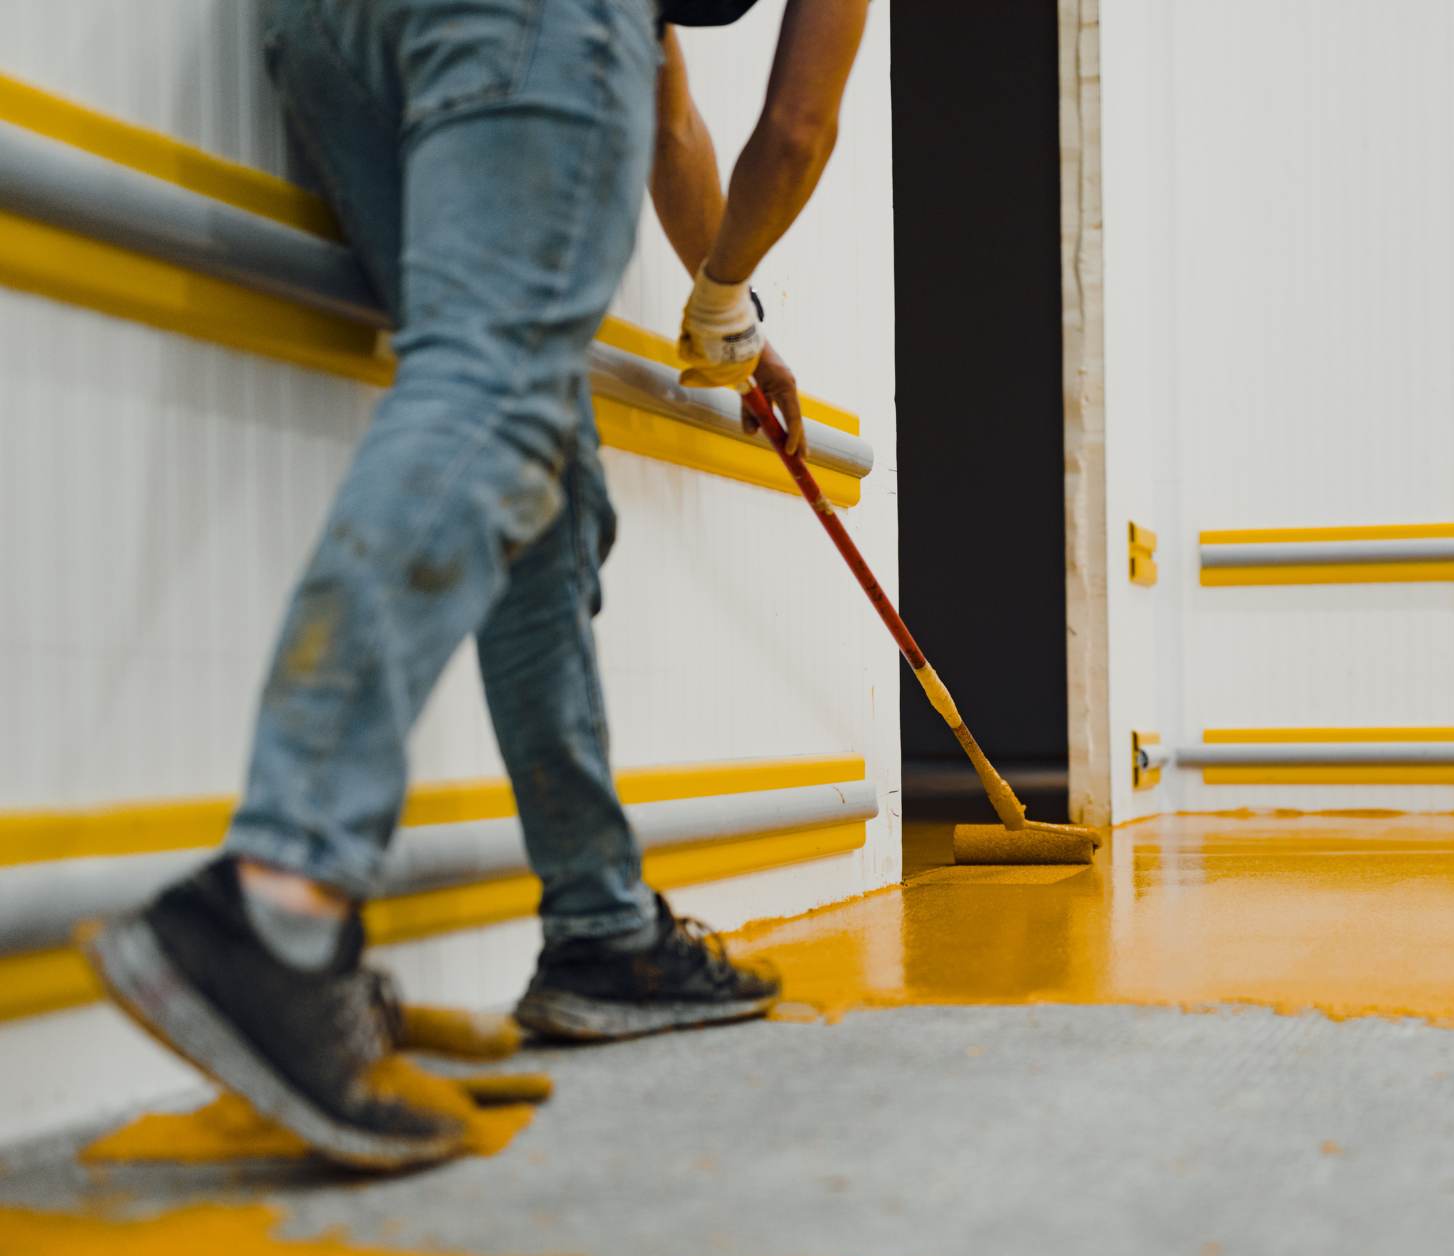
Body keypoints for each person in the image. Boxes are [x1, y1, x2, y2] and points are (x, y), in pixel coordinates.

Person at [84, 0, 871, 1169]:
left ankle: (599, 926)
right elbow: (797, 127)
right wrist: (726, 291)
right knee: (497, 393)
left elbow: (659, 100)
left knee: (544, 464)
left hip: (330, 28)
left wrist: (729, 325)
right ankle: (278, 902)